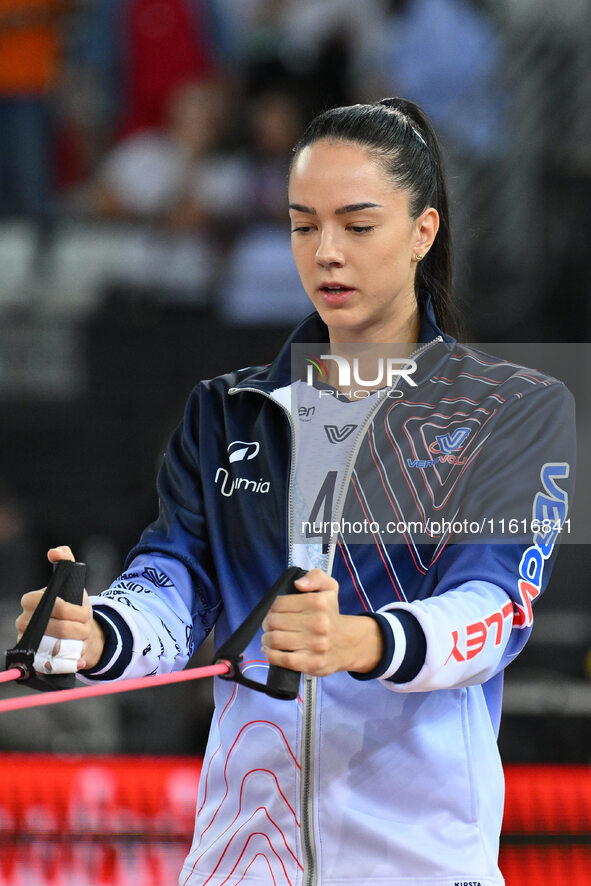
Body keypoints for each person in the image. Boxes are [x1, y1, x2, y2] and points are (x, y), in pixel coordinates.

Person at [16, 98, 575, 884]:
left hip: (417, 864)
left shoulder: (515, 407)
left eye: (357, 224)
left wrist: (364, 641)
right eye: (303, 225)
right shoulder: (225, 407)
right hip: (240, 860)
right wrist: (99, 633)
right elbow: (175, 583)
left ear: (423, 231)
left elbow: (495, 609)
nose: (326, 253)